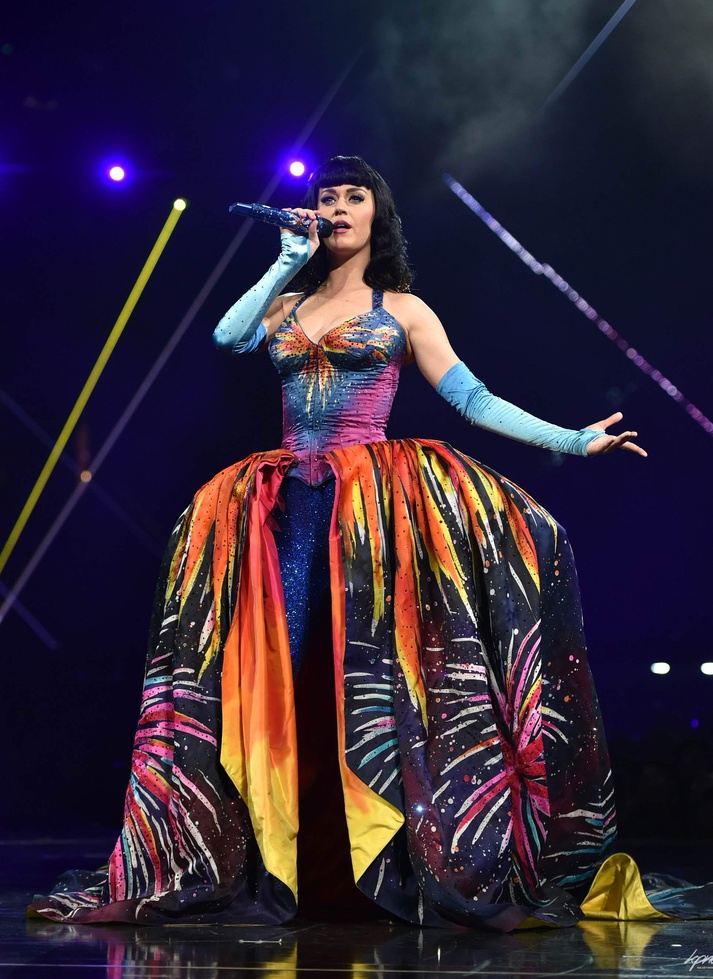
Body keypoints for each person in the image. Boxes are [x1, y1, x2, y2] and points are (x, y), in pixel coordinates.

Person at [30, 156, 645, 931]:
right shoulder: (286, 301)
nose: (340, 206)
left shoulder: (404, 308)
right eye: (329, 196)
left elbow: (474, 399)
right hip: (284, 503)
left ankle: (390, 864)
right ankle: (289, 858)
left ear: (377, 215)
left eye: (356, 196)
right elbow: (227, 336)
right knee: (279, 670)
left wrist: (574, 439)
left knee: (367, 676)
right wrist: (286, 258)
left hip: (369, 508)